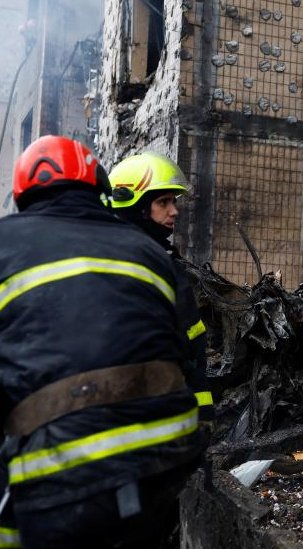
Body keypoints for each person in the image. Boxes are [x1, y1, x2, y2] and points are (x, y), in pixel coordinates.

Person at [0, 136, 205, 547]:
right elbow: (188, 354)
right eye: (164, 202)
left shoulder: (7, 243)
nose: (175, 212)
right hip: (166, 450)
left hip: (56, 474)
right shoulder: (149, 254)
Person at [108, 152, 214, 432]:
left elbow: (192, 351)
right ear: (136, 206)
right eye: (163, 202)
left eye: (174, 202)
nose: (174, 211)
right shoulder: (123, 267)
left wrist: (203, 417)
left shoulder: (164, 262)